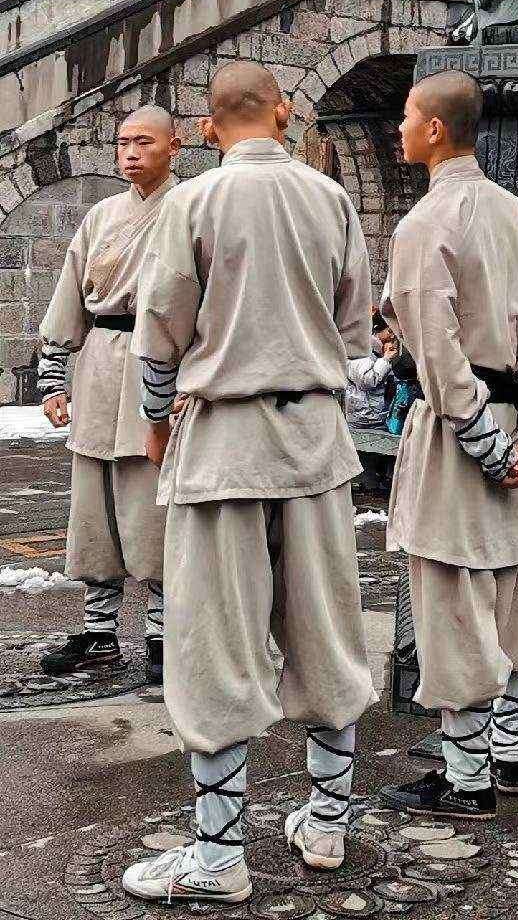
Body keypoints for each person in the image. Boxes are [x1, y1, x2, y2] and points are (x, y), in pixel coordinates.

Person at [122, 63, 376, 907]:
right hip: (314, 443)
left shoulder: (193, 205)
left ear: (206, 126)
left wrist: (158, 421)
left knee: (215, 648)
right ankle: (328, 823)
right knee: (329, 635)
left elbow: (159, 337)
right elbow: (352, 333)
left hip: (225, 443)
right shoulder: (332, 200)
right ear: (283, 111)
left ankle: (219, 855)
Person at [379, 70, 518, 820]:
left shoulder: (427, 223)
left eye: (404, 116)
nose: (398, 128)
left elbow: (435, 349)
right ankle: (510, 755)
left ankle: (466, 779)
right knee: (514, 596)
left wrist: (487, 446)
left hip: (463, 435)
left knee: (455, 602)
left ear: (434, 130)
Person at [36, 105, 180, 684]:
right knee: (94, 508)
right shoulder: (100, 215)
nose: (130, 153)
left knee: (153, 511)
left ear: (171, 145)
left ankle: (163, 638)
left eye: (143, 142)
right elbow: (69, 294)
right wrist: (52, 376)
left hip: (162, 365)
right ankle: (99, 635)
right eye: (122, 143)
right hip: (100, 365)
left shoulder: (190, 207)